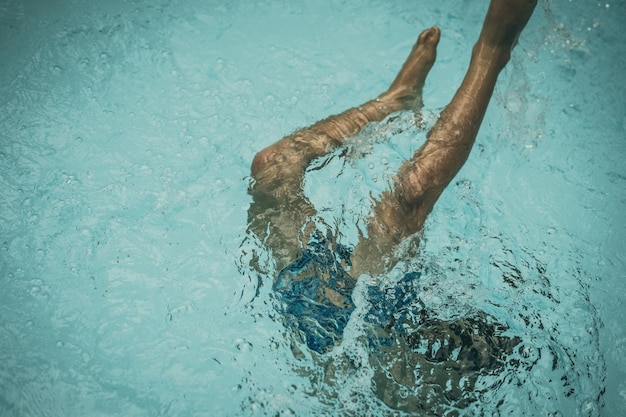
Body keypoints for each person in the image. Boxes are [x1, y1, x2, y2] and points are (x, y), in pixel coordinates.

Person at [247, 0, 536, 364]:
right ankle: (480, 59)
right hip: (375, 332)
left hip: (361, 333)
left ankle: (485, 54)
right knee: (409, 189)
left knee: (273, 167)